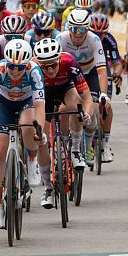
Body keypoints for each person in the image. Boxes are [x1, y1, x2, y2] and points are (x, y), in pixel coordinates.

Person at [0, 39, 46, 229]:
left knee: (28, 126)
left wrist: (39, 131)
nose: (15, 71)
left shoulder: (34, 70)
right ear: (6, 62)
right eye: (12, 66)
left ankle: (32, 161)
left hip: (26, 103)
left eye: (20, 67)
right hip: (3, 104)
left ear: (27, 64)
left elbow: (40, 106)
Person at [32, 38, 94, 208]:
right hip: (43, 94)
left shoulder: (70, 62)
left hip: (65, 88)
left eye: (53, 64)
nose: (50, 69)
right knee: (40, 140)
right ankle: (48, 189)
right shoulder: (33, 68)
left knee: (74, 106)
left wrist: (86, 115)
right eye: (45, 66)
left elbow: (87, 96)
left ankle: (74, 151)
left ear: (59, 59)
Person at [57, 9, 113, 163]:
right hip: (69, 76)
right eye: (74, 28)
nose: (78, 33)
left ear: (87, 29)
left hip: (90, 74)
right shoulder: (60, 39)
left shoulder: (94, 40)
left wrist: (103, 93)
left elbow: (102, 70)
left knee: (93, 112)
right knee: (66, 109)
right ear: (69, 28)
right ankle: (63, 144)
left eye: (82, 29)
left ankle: (88, 144)